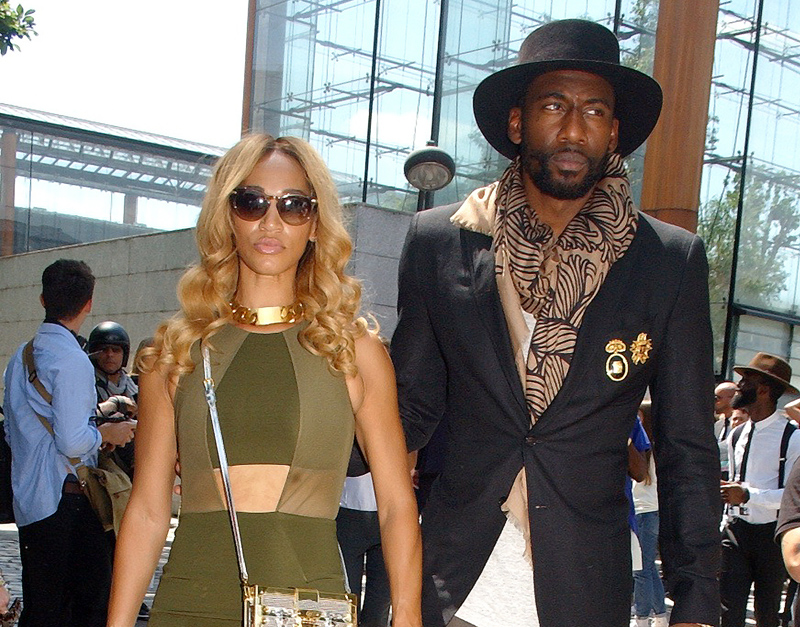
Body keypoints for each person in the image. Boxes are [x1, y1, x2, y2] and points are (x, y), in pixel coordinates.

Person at [391, 19, 719, 627]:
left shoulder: (668, 261)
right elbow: (410, 407)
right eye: (553, 106)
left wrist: (695, 600)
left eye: (595, 111)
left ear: (615, 131)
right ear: (517, 123)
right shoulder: (442, 241)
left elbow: (688, 443)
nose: (574, 128)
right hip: (449, 575)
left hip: (583, 584)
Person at [106, 134, 422, 627]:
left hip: (307, 608)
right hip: (189, 603)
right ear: (226, 216)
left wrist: (407, 617)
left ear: (315, 223)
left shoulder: (353, 352)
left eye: (294, 206)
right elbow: (147, 510)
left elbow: (398, 507)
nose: (271, 222)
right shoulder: (174, 354)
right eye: (251, 202)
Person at [3, 259, 136, 627]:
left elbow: (13, 431)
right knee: (89, 604)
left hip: (30, 499)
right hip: (68, 501)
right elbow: (73, 441)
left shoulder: (21, 357)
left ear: (43, 299)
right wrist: (107, 433)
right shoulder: (73, 360)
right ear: (89, 303)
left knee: (43, 605)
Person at [720, 353, 800, 627]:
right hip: (735, 530)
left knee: (767, 615)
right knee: (728, 611)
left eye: (746, 381)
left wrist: (748, 495)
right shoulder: (736, 435)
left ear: (764, 390)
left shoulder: (793, 437)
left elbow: (792, 498)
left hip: (772, 537)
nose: (739, 387)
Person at [87, 321, 139, 479]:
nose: (110, 355)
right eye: (103, 350)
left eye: (116, 350)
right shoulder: (86, 386)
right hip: (100, 469)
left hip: (133, 470)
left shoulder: (135, 387)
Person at [632, 402, 668, 627]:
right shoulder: (650, 446)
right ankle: (661, 616)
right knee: (648, 567)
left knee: (641, 569)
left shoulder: (650, 448)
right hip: (644, 510)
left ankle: (643, 618)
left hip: (645, 511)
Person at [715, 381, 739, 479]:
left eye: (717, 398)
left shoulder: (742, 425)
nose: (714, 401)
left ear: (732, 398)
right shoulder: (717, 426)